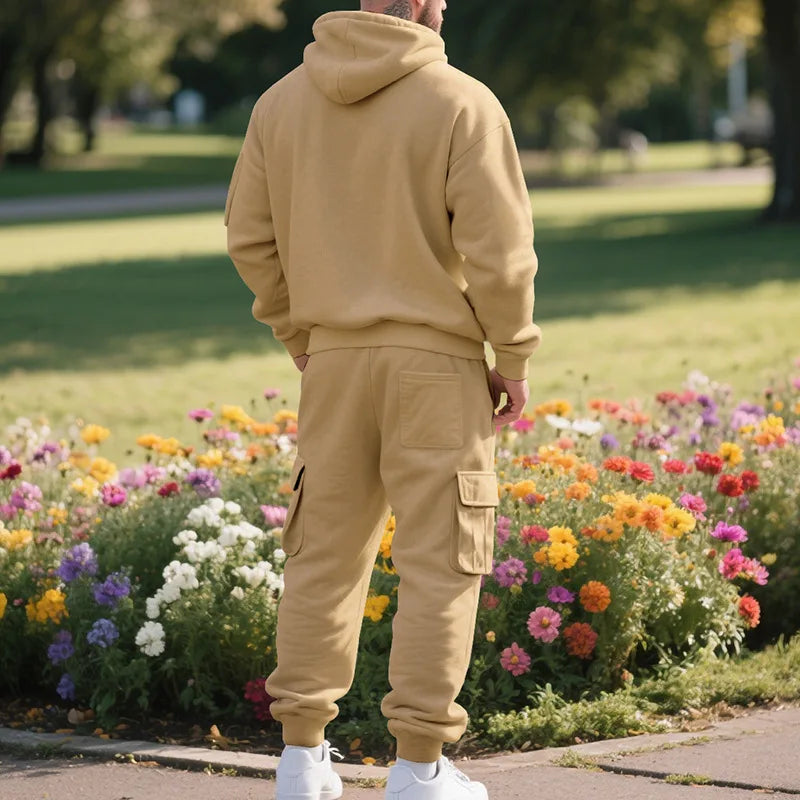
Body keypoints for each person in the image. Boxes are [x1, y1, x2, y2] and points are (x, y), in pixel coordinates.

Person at [225, 0, 542, 797]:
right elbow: (500, 253)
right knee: (441, 564)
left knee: (321, 556)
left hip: (331, 365)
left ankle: (301, 758)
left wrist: (301, 336)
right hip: (436, 368)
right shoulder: (462, 101)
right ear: (430, 6)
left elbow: (250, 238)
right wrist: (513, 354)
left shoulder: (281, 101)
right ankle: (420, 768)